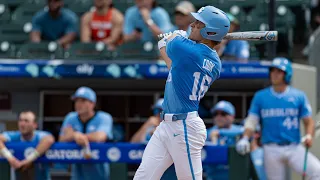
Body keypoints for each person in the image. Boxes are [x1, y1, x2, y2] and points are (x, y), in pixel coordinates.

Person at [134, 6, 230, 180]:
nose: (192, 24)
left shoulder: (190, 51)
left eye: (198, 23)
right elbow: (173, 66)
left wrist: (174, 35)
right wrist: (168, 40)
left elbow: (174, 43)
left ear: (210, 32)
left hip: (185, 126)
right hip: (166, 125)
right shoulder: (211, 60)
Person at [236, 57, 320, 180]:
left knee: (317, 172)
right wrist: (245, 138)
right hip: (271, 148)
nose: (274, 74)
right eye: (272, 71)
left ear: (287, 74)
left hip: (293, 146)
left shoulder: (298, 96)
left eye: (279, 71)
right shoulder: (261, 96)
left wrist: (308, 135)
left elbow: (308, 121)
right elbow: (252, 121)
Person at [59, 86, 113, 180]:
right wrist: (75, 135)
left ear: (92, 103)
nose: (78, 104)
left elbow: (101, 136)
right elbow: (62, 139)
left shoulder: (104, 117)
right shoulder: (71, 117)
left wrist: (76, 135)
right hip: (77, 172)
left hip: (98, 171)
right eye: (76, 101)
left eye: (83, 101)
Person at [131, 98, 177, 180]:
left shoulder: (178, 128)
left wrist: (161, 133)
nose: (158, 115)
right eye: (157, 111)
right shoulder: (150, 130)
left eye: (162, 112)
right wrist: (146, 125)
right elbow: (132, 143)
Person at [0, 111, 55, 180]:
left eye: (26, 121)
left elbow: (49, 140)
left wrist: (28, 160)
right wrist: (11, 159)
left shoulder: (39, 135)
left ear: (35, 124)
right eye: (20, 120)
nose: (22, 124)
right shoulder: (15, 136)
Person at [205, 101, 244, 180]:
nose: (218, 117)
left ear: (232, 116)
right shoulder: (207, 133)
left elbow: (247, 132)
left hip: (236, 176)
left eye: (223, 114)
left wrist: (220, 132)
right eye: (216, 114)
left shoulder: (239, 130)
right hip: (213, 176)